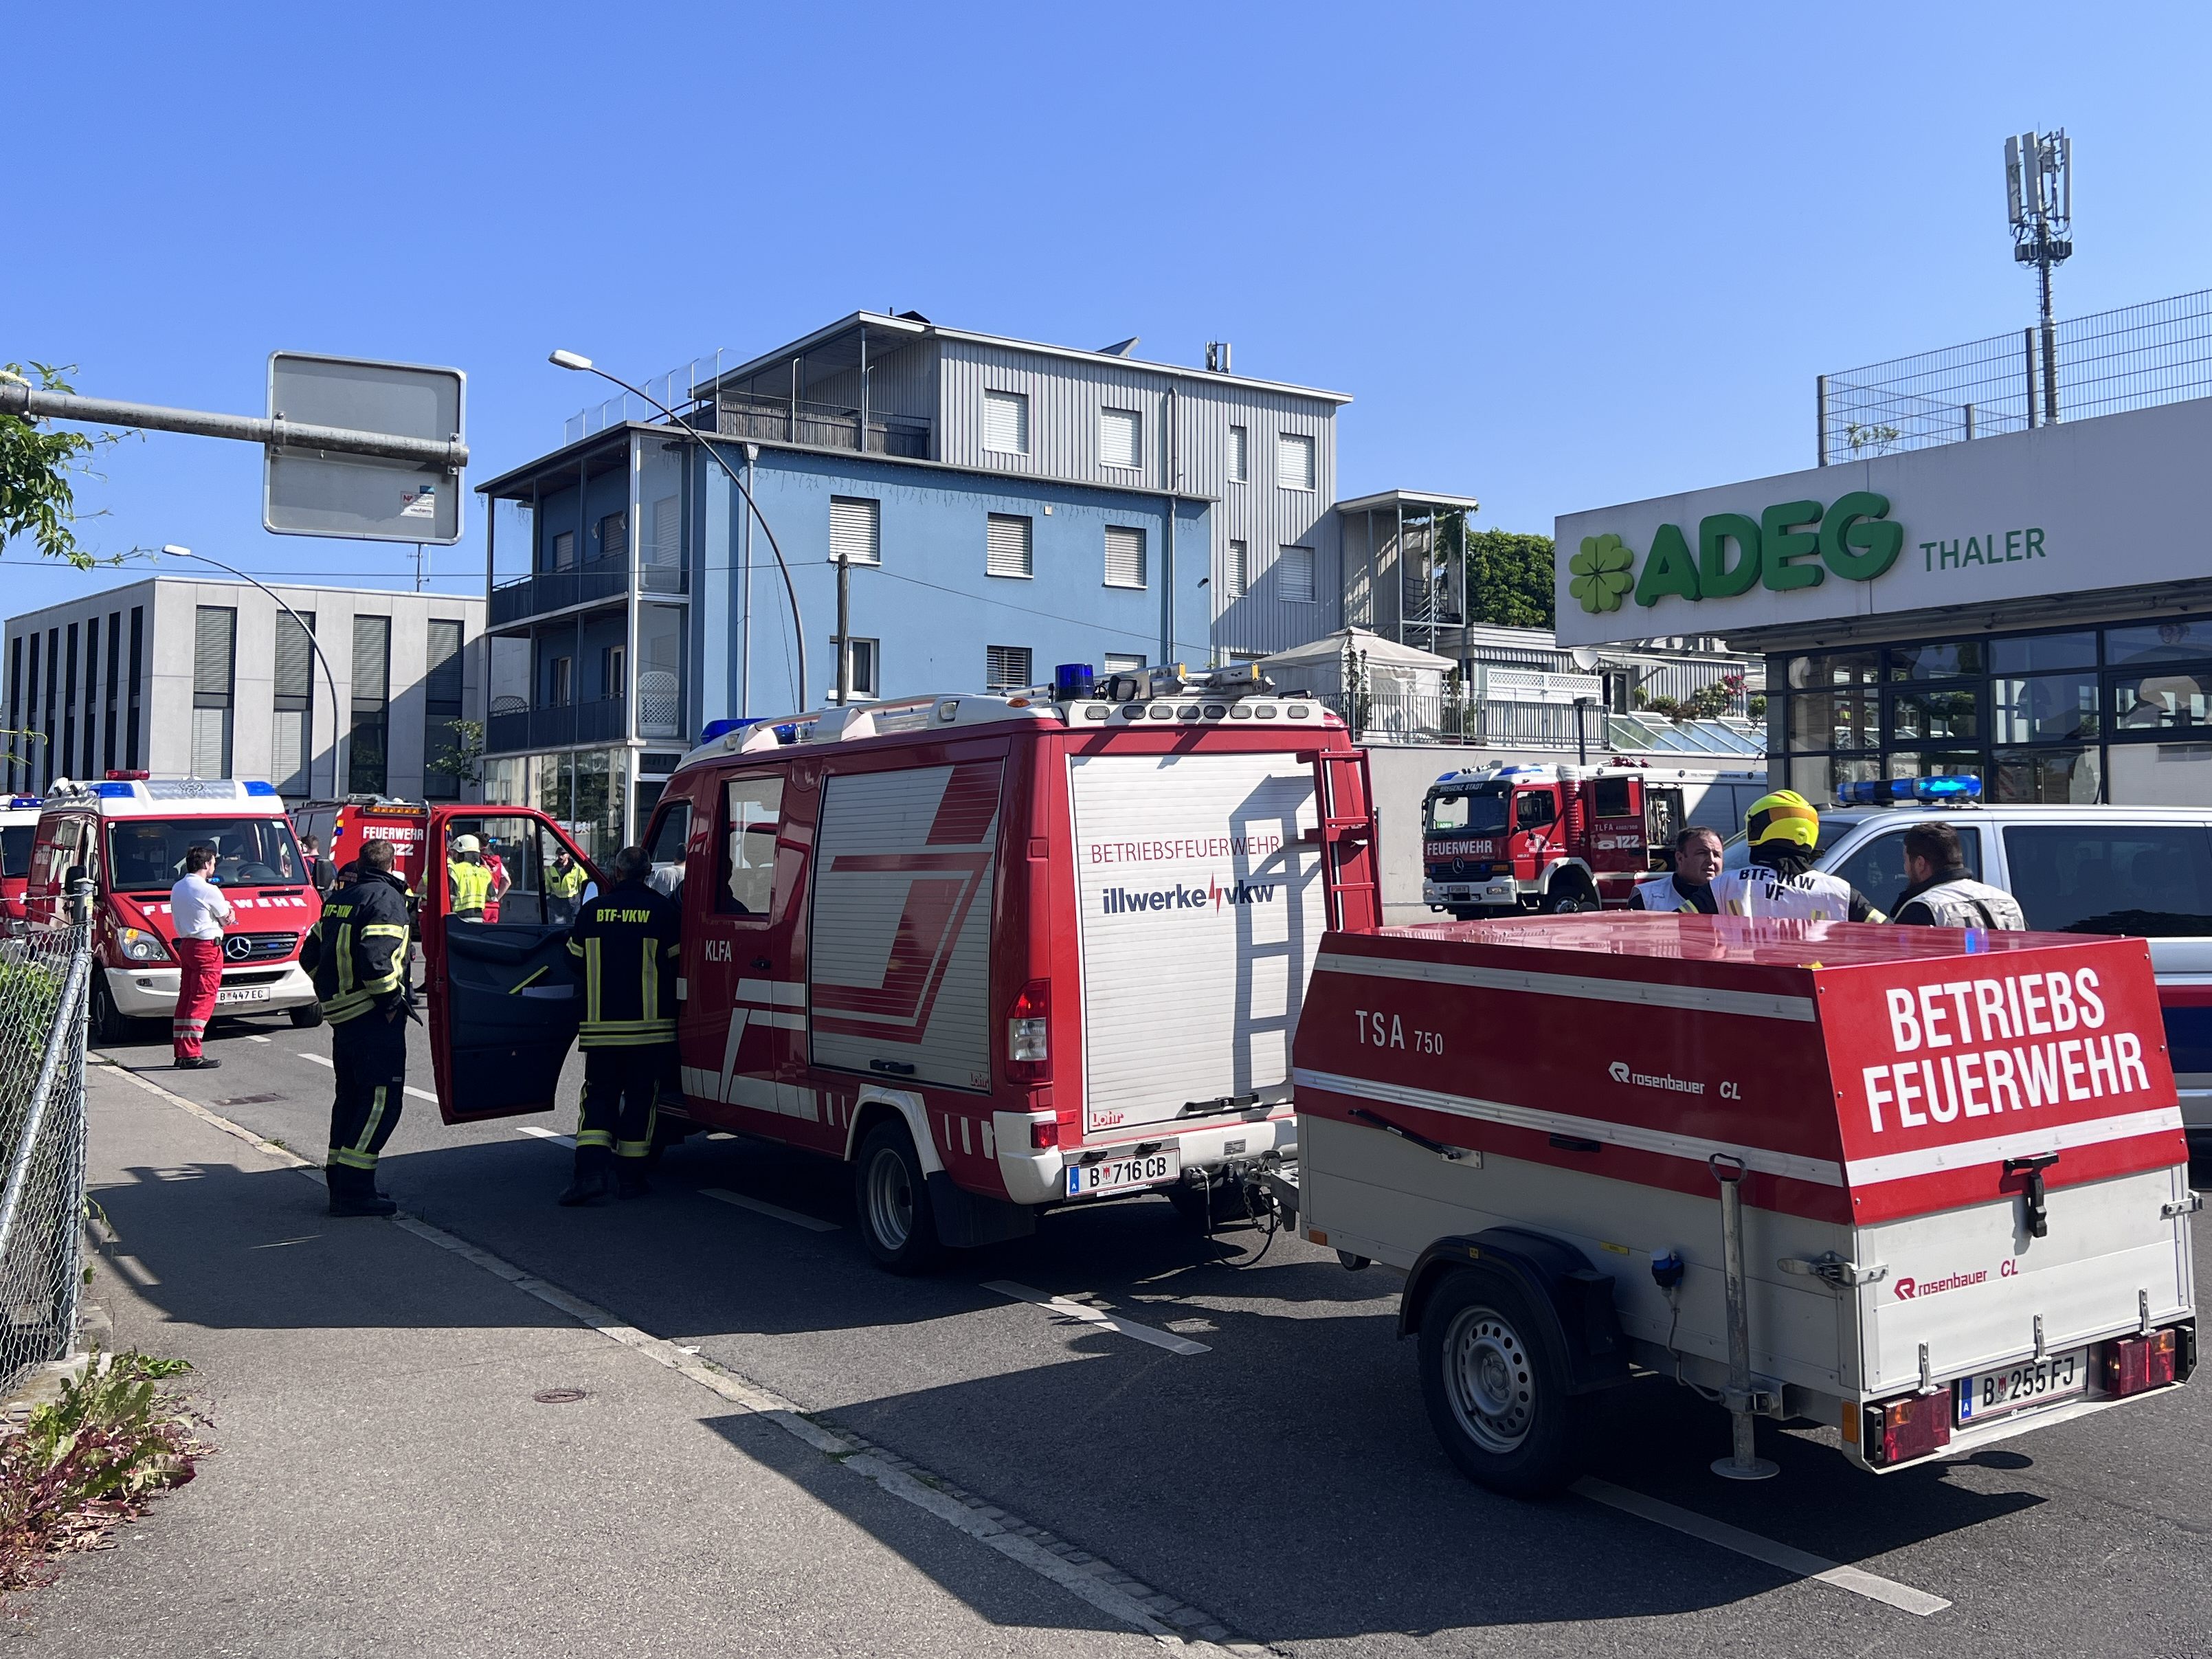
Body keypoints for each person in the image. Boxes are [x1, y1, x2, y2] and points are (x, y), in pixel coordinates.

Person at [559, 845, 681, 1207]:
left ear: (617, 873)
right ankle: (630, 1179)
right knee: (642, 1100)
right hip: (649, 1030)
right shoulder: (662, 911)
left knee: (599, 1097)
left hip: (603, 1028)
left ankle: (590, 1175)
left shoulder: (593, 911)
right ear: (647, 874)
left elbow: (573, 960)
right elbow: (677, 965)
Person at [300, 838, 413, 1218]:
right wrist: (390, 1003)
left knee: (350, 1097)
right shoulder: (385, 898)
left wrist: (330, 993)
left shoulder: (340, 899)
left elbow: (309, 955)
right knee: (381, 1100)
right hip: (371, 1017)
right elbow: (376, 959)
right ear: (392, 863)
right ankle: (355, 1191)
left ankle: (338, 1182)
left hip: (342, 1016)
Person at [1709, 790, 1885, 922]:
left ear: (1758, 829)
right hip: (1814, 972)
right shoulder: (1841, 893)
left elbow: (1682, 924)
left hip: (1743, 972)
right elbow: (1892, 935)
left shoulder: (1726, 885)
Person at [168, 843, 234, 1070]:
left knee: (186, 998)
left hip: (187, 945)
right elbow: (226, 918)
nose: (214, 866)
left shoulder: (178, 887)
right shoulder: (209, 890)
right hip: (208, 948)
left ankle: (181, 1050)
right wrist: (230, 914)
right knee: (202, 999)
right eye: (213, 862)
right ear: (206, 864)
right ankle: (192, 1053)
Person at [1891, 821, 2026, 929]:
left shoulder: (1923, 909)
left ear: (1920, 864)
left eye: (1906, 860)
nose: (1905, 868)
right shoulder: (2008, 902)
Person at [1631, 825, 1723, 915]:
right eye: (1702, 853)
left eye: (1716, 854)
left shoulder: (1733, 895)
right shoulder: (1647, 898)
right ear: (1680, 858)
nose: (1711, 860)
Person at [446, 833, 493, 922]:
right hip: (479, 918)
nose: (455, 856)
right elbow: (492, 898)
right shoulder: (485, 872)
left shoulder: (455, 870)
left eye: (456, 853)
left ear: (462, 854)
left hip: (459, 918)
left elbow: (450, 897)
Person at [546, 847, 588, 924]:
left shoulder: (576, 869)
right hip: (557, 901)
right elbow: (547, 885)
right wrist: (547, 897)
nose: (560, 856)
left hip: (573, 901)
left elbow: (585, 883)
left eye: (562, 854)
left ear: (568, 855)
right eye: (558, 854)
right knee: (556, 925)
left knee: (573, 924)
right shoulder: (551, 869)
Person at [301, 832, 337, 898]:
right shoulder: (330, 864)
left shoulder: (305, 863)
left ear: (305, 846)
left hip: (312, 896)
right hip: (328, 897)